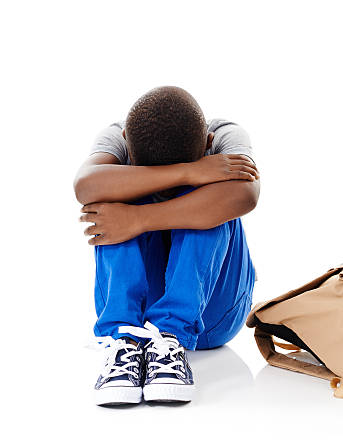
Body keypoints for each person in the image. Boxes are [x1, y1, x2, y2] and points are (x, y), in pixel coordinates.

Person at [73, 86, 259, 406]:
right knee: (108, 193)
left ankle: (172, 338)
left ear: (208, 143)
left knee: (219, 197)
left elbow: (246, 195)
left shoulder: (225, 134)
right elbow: (86, 185)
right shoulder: (119, 134)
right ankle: (125, 342)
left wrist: (138, 218)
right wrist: (188, 171)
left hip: (214, 314)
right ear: (127, 141)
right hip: (141, 315)